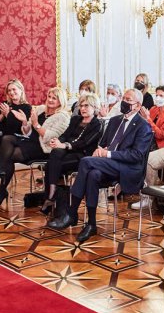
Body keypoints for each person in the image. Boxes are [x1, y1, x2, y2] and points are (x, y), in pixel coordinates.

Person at [48, 88, 154, 243]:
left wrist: (108, 154)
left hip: (128, 168)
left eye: (128, 100)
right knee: (93, 175)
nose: (124, 102)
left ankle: (71, 213)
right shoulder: (115, 120)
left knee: (85, 161)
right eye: (123, 98)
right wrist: (101, 149)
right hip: (108, 164)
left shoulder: (143, 127)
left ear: (138, 106)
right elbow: (102, 143)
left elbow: (136, 156)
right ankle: (91, 224)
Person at [0, 87, 71, 207]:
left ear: (61, 101)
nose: (50, 100)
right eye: (49, 97)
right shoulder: (41, 109)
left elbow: (50, 137)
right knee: (7, 138)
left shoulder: (63, 117)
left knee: (9, 155)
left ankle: (1, 188)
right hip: (30, 141)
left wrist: (36, 124)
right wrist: (25, 122)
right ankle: (1, 175)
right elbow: (27, 132)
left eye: (54, 98)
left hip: (43, 148)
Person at [40, 93, 104, 215]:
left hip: (83, 156)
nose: (83, 108)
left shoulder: (97, 124)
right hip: (66, 152)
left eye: (86, 105)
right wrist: (58, 141)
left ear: (94, 107)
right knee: (55, 154)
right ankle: (52, 195)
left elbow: (85, 142)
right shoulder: (75, 119)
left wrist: (65, 145)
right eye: (81, 105)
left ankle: (50, 196)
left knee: (50, 164)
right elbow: (66, 134)